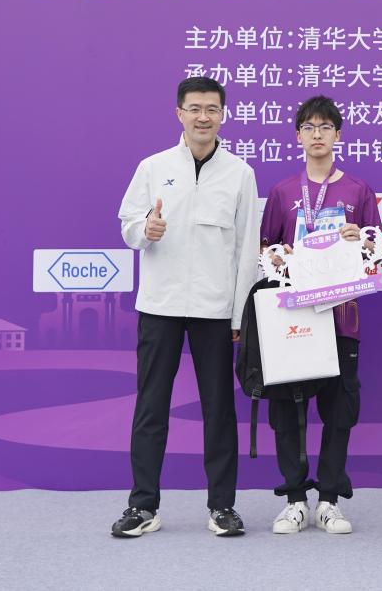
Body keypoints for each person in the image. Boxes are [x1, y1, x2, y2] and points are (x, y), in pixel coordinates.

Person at [112, 76, 260, 538]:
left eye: (211, 109)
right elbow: (128, 223)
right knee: (151, 407)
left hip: (215, 310)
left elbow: (246, 249)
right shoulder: (153, 167)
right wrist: (145, 229)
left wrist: (238, 315)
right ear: (179, 113)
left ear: (223, 115)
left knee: (219, 410)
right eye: (194, 108)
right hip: (161, 304)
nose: (203, 117)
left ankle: (222, 506)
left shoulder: (240, 173)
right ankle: (142, 506)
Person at [258, 96, 381, 535]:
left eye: (325, 127)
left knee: (339, 409)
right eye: (309, 127)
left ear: (338, 135)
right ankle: (294, 499)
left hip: (342, 317)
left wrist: (359, 240)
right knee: (287, 411)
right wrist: (279, 255)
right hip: (293, 318)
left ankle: (329, 500)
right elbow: (264, 252)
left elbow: (374, 254)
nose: (317, 134)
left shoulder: (358, 191)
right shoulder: (282, 192)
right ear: (298, 136)